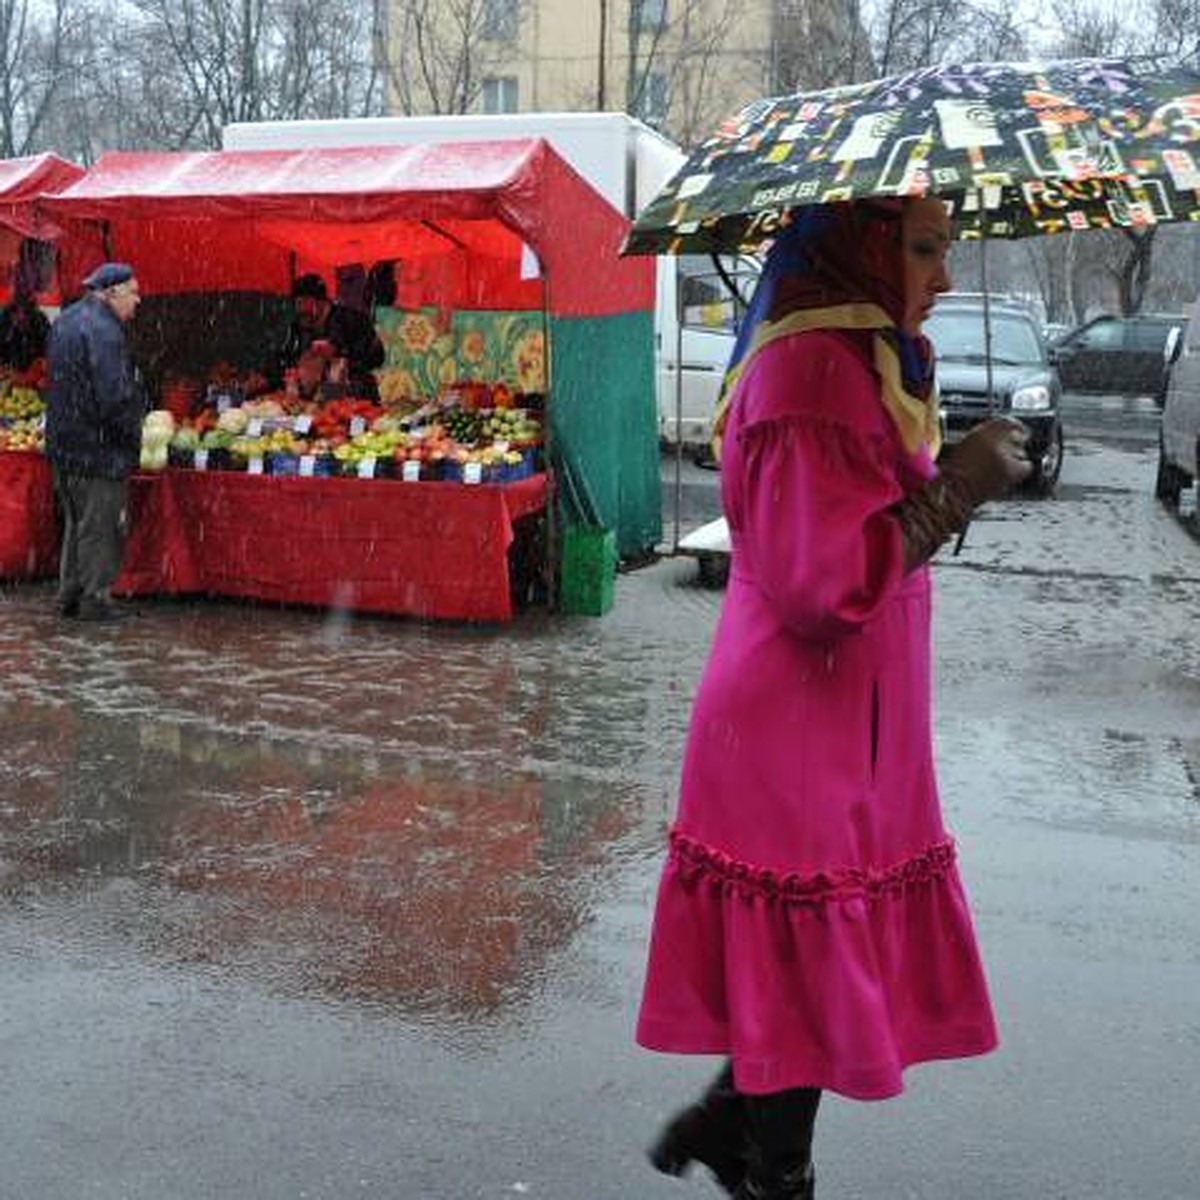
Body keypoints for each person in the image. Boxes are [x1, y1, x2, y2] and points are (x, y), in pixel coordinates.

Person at [638, 197, 1032, 1200]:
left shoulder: (856, 360)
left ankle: (734, 1125)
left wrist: (946, 473)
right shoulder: (813, 372)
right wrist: (957, 490)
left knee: (808, 965)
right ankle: (772, 1169)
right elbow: (823, 586)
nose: (943, 276)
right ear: (865, 249)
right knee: (807, 956)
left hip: (840, 717)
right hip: (797, 724)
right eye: (926, 250)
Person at [44, 262, 144, 622]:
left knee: (77, 522)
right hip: (98, 448)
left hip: (65, 445)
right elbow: (114, 396)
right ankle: (95, 599)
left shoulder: (67, 320)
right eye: (132, 292)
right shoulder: (105, 331)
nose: (137, 300)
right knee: (102, 524)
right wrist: (132, 434)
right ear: (111, 291)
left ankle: (69, 594)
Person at [271, 272, 385, 398]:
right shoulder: (297, 328)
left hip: (354, 398)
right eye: (297, 303)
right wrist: (290, 371)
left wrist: (338, 352)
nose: (299, 309)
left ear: (319, 301)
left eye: (303, 302)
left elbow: (376, 357)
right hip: (306, 402)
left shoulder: (353, 320)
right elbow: (284, 359)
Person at [0, 287, 51, 370]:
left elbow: (47, 352)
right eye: (14, 310)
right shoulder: (4, 319)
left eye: (27, 311)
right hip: (9, 373)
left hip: (34, 375)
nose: (21, 316)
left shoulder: (40, 320)